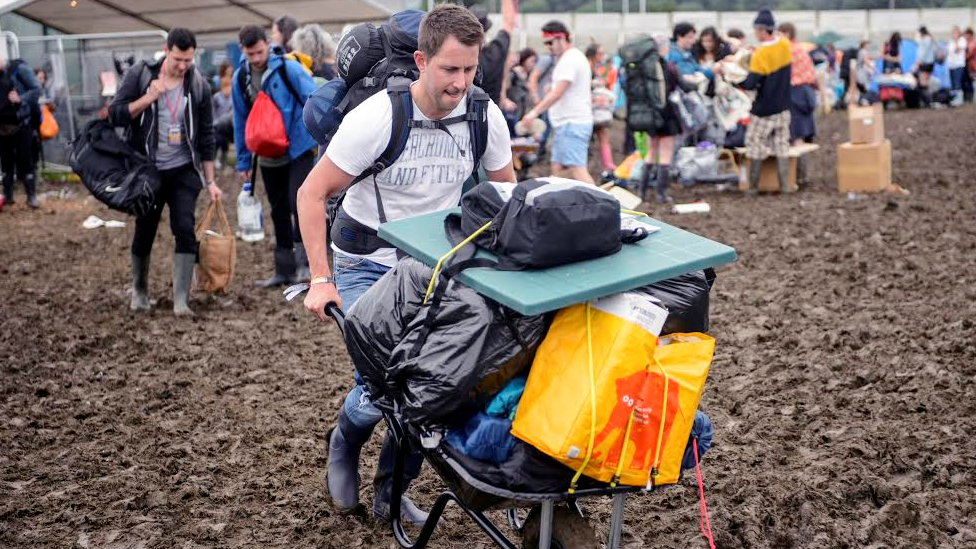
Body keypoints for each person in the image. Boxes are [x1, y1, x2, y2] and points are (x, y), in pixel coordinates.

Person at [296, 3, 515, 524]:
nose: (460, 82)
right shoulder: (377, 117)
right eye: (449, 69)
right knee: (383, 383)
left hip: (436, 261)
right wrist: (320, 279)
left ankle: (391, 492)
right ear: (421, 60)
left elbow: (508, 195)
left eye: (469, 69)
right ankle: (346, 439)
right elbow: (311, 193)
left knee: (439, 385)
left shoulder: (484, 115)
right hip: (367, 258)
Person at [108, 28, 221, 314]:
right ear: (166, 50)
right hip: (147, 169)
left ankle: (181, 300)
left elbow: (207, 136)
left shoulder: (198, 84)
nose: (183, 66)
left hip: (184, 169)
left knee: (184, 228)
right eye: (178, 59)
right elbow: (115, 114)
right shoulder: (140, 75)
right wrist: (147, 98)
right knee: (145, 229)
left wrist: (210, 181)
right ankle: (139, 291)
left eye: (188, 60)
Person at [232, 25, 318, 286]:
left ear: (267, 44)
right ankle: (284, 270)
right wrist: (243, 162)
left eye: (260, 52)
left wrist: (319, 136)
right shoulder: (240, 78)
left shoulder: (288, 68)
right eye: (251, 54)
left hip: (298, 149)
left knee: (298, 204)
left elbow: (313, 98)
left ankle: (306, 265)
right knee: (278, 210)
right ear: (242, 51)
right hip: (268, 155)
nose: (257, 58)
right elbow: (240, 120)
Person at [518, 20, 593, 183]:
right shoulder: (567, 59)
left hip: (572, 123)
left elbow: (558, 93)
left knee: (577, 170)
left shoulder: (570, 59)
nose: (548, 47)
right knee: (557, 169)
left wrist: (532, 113)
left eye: (550, 42)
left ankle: (601, 206)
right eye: (545, 43)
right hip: (565, 125)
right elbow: (559, 90)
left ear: (562, 38)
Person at [738, 8, 792, 195]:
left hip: (764, 109)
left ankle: (753, 187)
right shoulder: (785, 45)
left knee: (755, 144)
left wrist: (733, 77)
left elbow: (751, 83)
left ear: (762, 30)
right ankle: (785, 186)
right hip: (784, 106)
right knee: (781, 145)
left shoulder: (761, 54)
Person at [639, 35, 687, 204]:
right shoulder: (668, 67)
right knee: (665, 154)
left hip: (650, 116)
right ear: (663, 48)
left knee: (650, 153)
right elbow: (684, 86)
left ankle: (641, 193)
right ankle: (660, 194)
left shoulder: (643, 68)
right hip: (667, 114)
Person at [0, 53, 41, 208]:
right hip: (2, 126)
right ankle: (8, 197)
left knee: (25, 160)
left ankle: (31, 196)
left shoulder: (19, 69)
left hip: (22, 123)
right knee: (6, 162)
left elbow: (37, 90)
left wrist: (21, 98)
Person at [470, 0, 516, 105]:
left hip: (467, 112)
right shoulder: (496, 50)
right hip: (493, 109)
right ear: (486, 29)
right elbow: (509, 22)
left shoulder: (459, 56)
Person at [778, 23, 817, 146]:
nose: (777, 38)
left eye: (779, 34)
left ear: (787, 34)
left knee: (796, 132)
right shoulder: (799, 48)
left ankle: (795, 164)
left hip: (795, 93)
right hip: (806, 91)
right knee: (803, 130)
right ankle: (802, 164)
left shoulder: (788, 49)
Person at [585, 42, 617, 176]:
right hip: (585, 110)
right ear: (593, 54)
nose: (602, 56)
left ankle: (609, 166)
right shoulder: (586, 67)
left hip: (595, 110)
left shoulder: (594, 68)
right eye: (600, 53)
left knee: (603, 134)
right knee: (588, 139)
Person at [212, 61, 234, 170]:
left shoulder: (234, 85)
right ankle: (218, 159)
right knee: (218, 138)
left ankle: (225, 160)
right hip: (219, 121)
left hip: (229, 121)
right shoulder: (217, 93)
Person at [914, 26, 936, 104]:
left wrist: (917, 63)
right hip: (930, 63)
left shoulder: (925, 40)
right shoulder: (930, 39)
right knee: (927, 81)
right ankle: (929, 100)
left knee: (923, 82)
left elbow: (923, 53)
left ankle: (927, 101)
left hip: (925, 63)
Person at [947, 26, 967, 100]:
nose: (953, 34)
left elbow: (957, 49)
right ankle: (953, 98)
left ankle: (958, 99)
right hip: (951, 65)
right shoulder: (951, 41)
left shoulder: (962, 40)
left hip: (958, 65)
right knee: (952, 83)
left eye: (955, 32)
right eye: (953, 32)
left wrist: (956, 40)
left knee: (957, 82)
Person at [965, 28, 976, 102]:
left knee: (975, 80)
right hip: (969, 66)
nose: (965, 36)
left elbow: (969, 55)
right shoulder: (967, 43)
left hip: (973, 65)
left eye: (966, 34)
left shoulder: (973, 44)